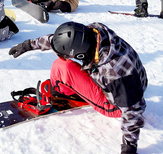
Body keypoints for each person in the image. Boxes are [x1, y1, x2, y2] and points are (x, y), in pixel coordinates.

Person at [8, 21, 148, 154]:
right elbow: (60, 41)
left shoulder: (116, 74)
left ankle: (64, 91)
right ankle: (73, 87)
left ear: (80, 54)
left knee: (62, 67)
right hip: (127, 84)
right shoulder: (92, 35)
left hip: (116, 105)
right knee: (63, 65)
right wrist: (29, 45)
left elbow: (133, 111)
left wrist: (129, 147)